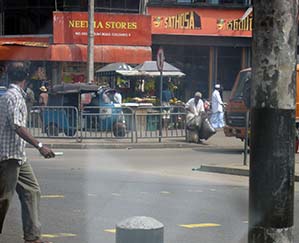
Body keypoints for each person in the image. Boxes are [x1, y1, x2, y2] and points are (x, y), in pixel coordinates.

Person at [0, 62, 55, 243]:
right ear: (27, 78)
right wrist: (40, 145)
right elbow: (18, 126)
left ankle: (32, 237)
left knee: (31, 191)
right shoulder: (13, 97)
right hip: (9, 156)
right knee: (4, 200)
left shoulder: (12, 95)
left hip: (18, 155)